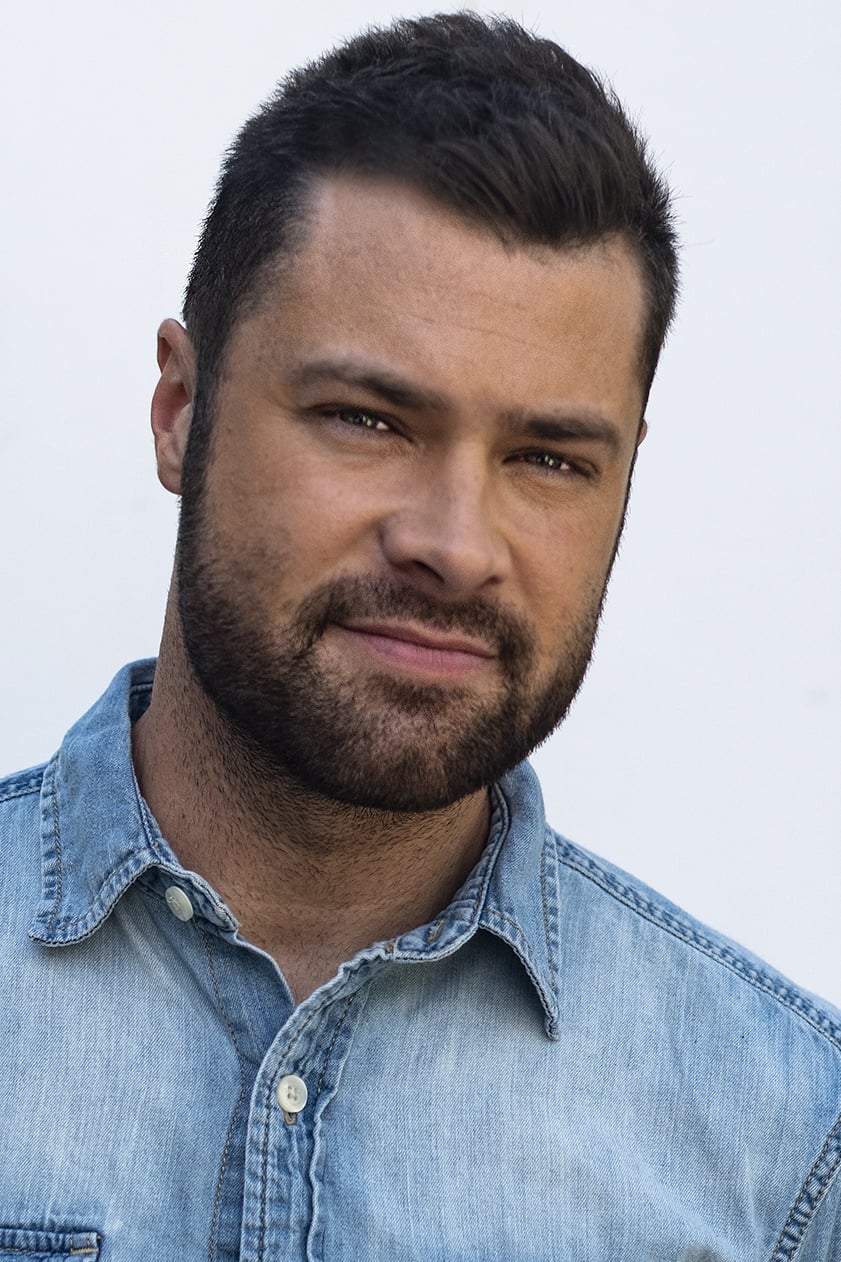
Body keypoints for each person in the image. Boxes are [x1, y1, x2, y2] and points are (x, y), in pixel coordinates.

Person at [1, 10, 839, 1260]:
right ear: (180, 409)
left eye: (548, 457)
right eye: (368, 419)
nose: (454, 543)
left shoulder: (787, 1143)